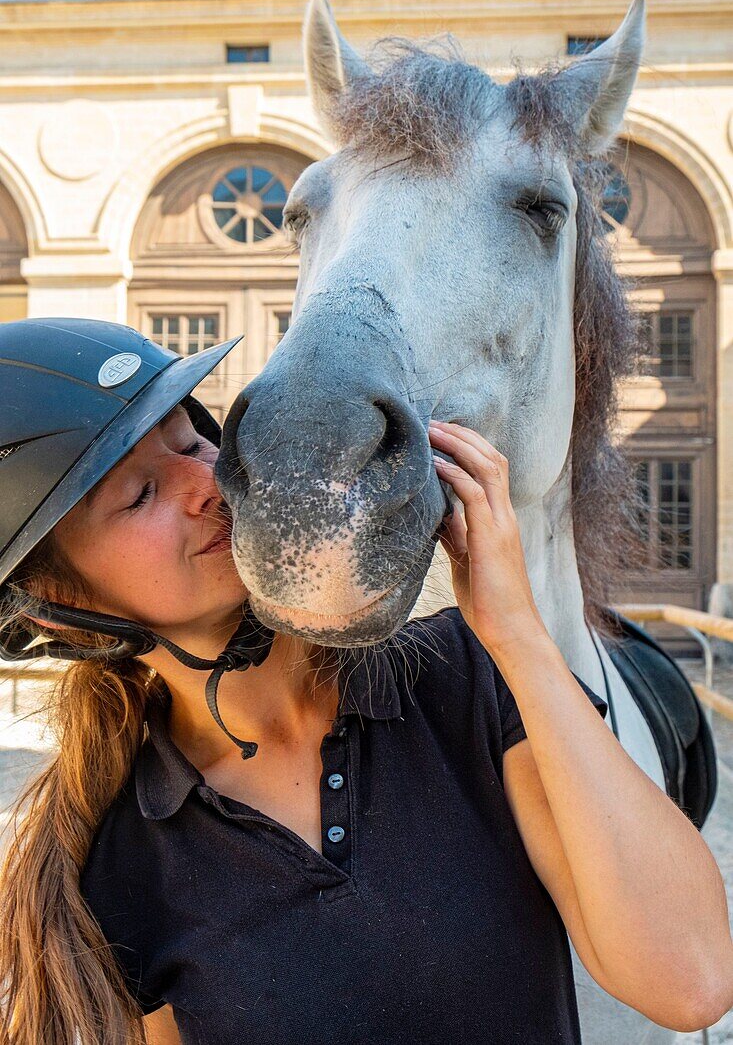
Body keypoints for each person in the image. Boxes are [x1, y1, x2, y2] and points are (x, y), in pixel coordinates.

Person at [0, 317, 731, 1045]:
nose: (209, 483)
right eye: (139, 495)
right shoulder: (115, 872)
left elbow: (688, 981)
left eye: (193, 441)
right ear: (62, 613)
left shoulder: (460, 676)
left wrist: (516, 635)